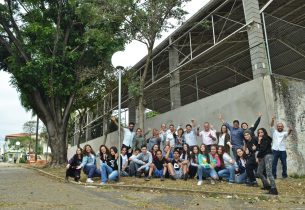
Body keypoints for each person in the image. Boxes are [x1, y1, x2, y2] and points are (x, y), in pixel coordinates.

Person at [257, 128, 278, 195]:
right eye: (259, 133)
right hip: (263, 156)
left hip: (268, 156)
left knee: (269, 173)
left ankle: (274, 189)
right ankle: (267, 185)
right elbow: (259, 148)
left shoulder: (266, 138)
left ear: (264, 132)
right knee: (259, 172)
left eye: (261, 132)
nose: (260, 134)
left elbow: (263, 149)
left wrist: (258, 156)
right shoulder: (261, 139)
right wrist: (259, 142)